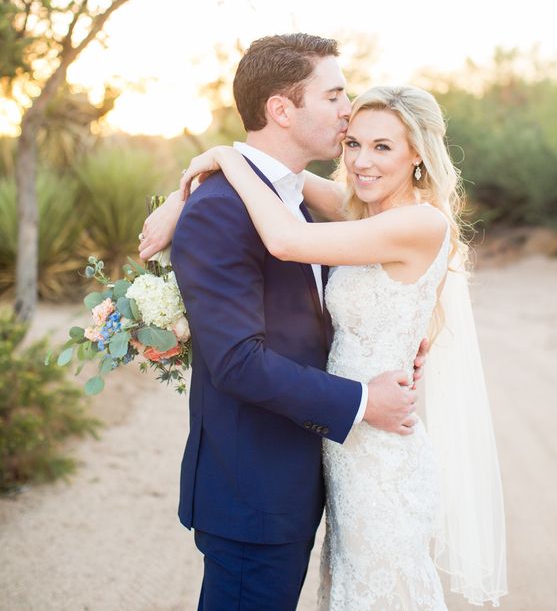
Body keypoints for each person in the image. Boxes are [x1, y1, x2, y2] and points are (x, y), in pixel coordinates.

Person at [156, 82, 508, 610]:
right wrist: (178, 200)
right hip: (344, 448)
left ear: (418, 154)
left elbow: (285, 238)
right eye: (353, 144)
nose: (362, 162)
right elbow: (282, 176)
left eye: (383, 147)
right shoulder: (364, 211)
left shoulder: (418, 222)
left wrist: (224, 156)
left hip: (381, 452)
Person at [140, 34, 432, 611]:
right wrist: (361, 400)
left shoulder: (295, 199)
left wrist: (401, 339)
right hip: (253, 491)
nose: (347, 109)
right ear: (281, 110)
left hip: (302, 480)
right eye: (334, 96)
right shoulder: (223, 209)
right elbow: (235, 361)